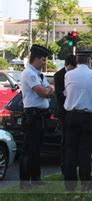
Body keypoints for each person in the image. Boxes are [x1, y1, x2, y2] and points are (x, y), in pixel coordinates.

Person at [63, 49, 92, 191]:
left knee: (70, 151)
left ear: (77, 60)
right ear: (89, 61)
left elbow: (67, 93)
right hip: (88, 117)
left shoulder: (68, 75)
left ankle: (70, 185)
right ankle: (86, 185)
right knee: (85, 152)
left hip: (72, 116)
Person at [19, 45, 55, 189]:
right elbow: (43, 92)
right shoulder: (29, 73)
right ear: (36, 58)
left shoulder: (39, 74)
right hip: (32, 115)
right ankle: (25, 181)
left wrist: (48, 90)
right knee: (29, 149)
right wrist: (48, 90)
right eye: (43, 59)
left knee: (37, 149)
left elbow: (50, 89)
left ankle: (36, 178)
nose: (45, 62)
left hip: (40, 116)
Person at [53, 54, 77, 176]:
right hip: (63, 112)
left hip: (73, 112)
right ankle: (64, 167)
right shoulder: (59, 75)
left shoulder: (76, 75)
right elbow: (59, 95)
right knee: (65, 141)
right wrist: (67, 93)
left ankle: (72, 165)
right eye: (70, 68)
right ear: (66, 65)